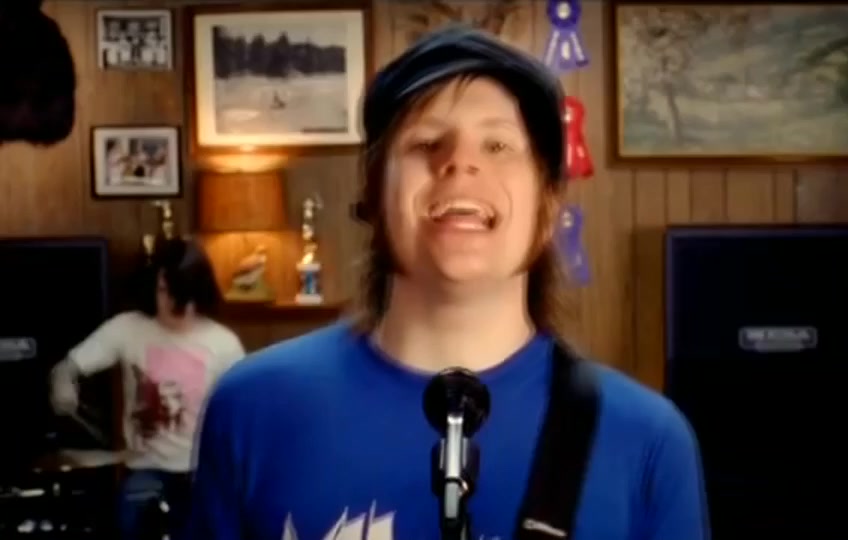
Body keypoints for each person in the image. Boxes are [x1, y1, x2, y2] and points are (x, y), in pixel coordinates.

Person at [186, 26, 709, 540]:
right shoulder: (252, 407)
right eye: (426, 142)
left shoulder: (648, 440)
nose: (460, 162)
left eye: (498, 144)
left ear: (549, 207)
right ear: (373, 194)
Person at [50, 237, 246, 540]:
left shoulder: (224, 344)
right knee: (130, 520)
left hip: (203, 471)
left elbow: (244, 416)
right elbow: (66, 367)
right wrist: (62, 383)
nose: (170, 304)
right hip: (145, 469)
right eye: (163, 291)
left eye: (180, 295)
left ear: (198, 293)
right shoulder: (127, 328)